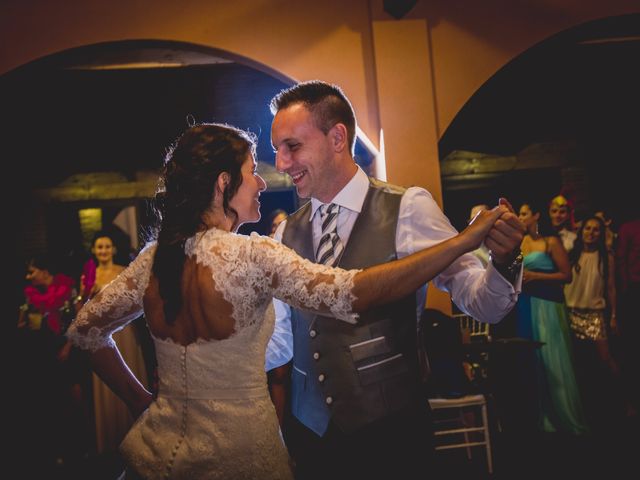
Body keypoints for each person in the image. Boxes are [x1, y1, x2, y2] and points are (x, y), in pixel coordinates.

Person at [66, 122, 508, 479]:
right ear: (224, 183)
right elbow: (355, 291)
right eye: (251, 170)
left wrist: (139, 400)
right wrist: (462, 241)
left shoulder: (151, 260)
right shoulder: (254, 255)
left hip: (159, 451)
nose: (263, 179)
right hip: (242, 455)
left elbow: (85, 331)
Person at [266, 80, 525, 479]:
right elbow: (279, 339)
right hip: (311, 436)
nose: (282, 164)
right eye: (277, 151)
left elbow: (482, 303)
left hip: (391, 434)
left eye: (292, 147)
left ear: (337, 137)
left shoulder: (407, 208)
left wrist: (504, 261)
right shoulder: (286, 234)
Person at [77, 230, 150, 461]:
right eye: (99, 247)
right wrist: (83, 294)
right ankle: (111, 440)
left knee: (132, 371)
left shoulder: (122, 271)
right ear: (94, 250)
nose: (103, 251)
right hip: (102, 333)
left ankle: (139, 433)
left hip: (126, 332)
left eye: (107, 246)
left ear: (113, 249)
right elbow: (82, 310)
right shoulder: (89, 275)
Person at [516, 200, 588, 434]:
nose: (520, 217)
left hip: (547, 305)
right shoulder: (521, 242)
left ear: (536, 216)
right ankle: (544, 416)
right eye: (519, 213)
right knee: (534, 361)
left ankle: (565, 414)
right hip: (525, 305)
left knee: (553, 359)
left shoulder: (550, 241)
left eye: (525, 213)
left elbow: (566, 276)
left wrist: (536, 276)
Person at [565, 215, 632, 424]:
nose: (591, 233)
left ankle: (626, 400)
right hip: (571, 313)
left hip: (594, 314)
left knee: (606, 359)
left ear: (600, 234)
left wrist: (613, 315)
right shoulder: (571, 254)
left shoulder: (606, 256)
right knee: (575, 363)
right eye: (587, 229)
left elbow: (611, 287)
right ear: (581, 231)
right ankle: (582, 408)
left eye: (595, 230)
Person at [615, 215, 640, 416]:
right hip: (634, 293)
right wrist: (626, 293)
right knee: (632, 349)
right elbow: (621, 261)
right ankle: (630, 401)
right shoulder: (630, 228)